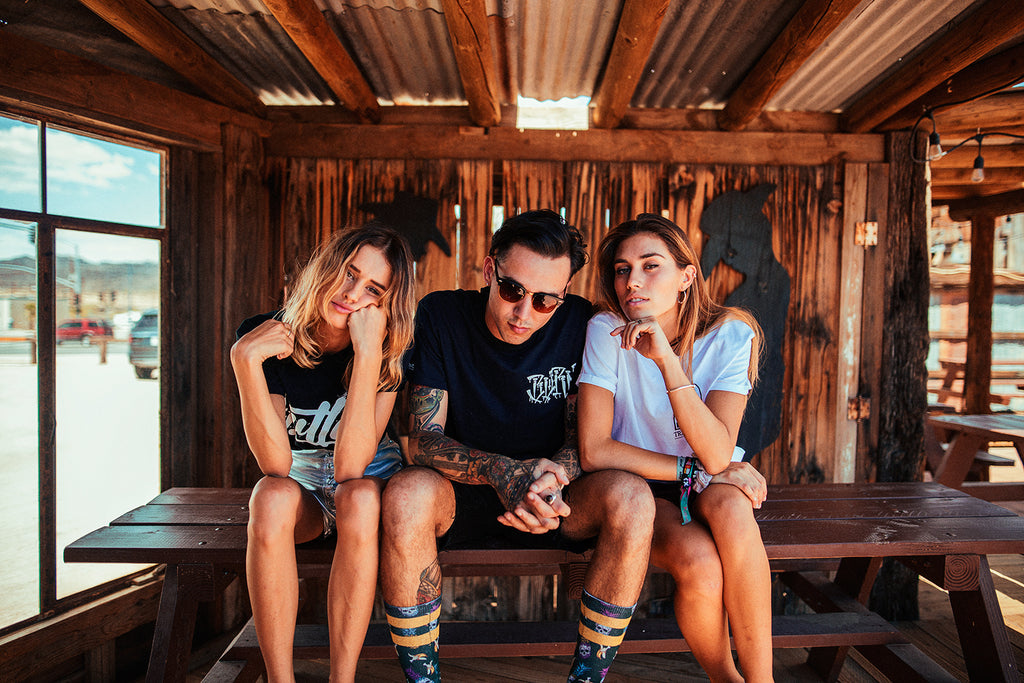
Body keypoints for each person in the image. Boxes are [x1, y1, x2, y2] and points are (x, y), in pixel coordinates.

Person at [380, 209, 655, 683]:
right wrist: (502, 472)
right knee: (405, 494)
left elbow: (585, 437)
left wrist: (549, 478)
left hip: (555, 497)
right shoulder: (442, 314)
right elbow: (423, 439)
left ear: (564, 294)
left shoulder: (582, 322)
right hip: (463, 492)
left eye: (546, 300)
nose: (525, 313)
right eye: (512, 290)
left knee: (633, 497)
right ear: (490, 270)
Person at [577, 213, 773, 682]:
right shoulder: (606, 328)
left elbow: (718, 452)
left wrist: (667, 360)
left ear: (687, 276)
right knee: (700, 564)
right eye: (623, 269)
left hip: (710, 479)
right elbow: (595, 450)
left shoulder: (731, 334)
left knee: (732, 507)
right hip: (638, 487)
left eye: (650, 266)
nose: (632, 281)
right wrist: (694, 470)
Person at [230, 223, 415, 683]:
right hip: (303, 483)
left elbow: (351, 467)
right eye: (349, 273)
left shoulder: (389, 347)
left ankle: (341, 680)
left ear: (385, 303)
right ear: (327, 265)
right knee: (268, 496)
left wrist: (368, 354)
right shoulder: (267, 336)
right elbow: (275, 464)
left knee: (359, 496)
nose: (352, 294)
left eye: (373, 289)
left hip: (369, 480)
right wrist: (245, 361)